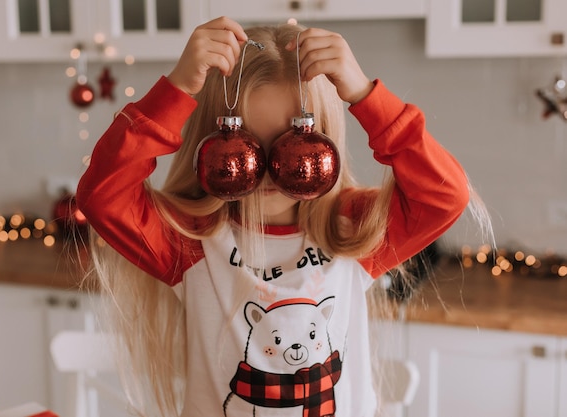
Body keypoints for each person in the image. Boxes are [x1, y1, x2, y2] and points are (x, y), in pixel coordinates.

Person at [76, 16, 479, 417]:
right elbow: (102, 196)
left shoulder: (351, 230)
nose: (269, 169)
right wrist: (177, 89)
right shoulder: (191, 240)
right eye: (243, 147)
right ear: (211, 143)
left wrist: (364, 95)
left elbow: (445, 195)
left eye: (295, 144)